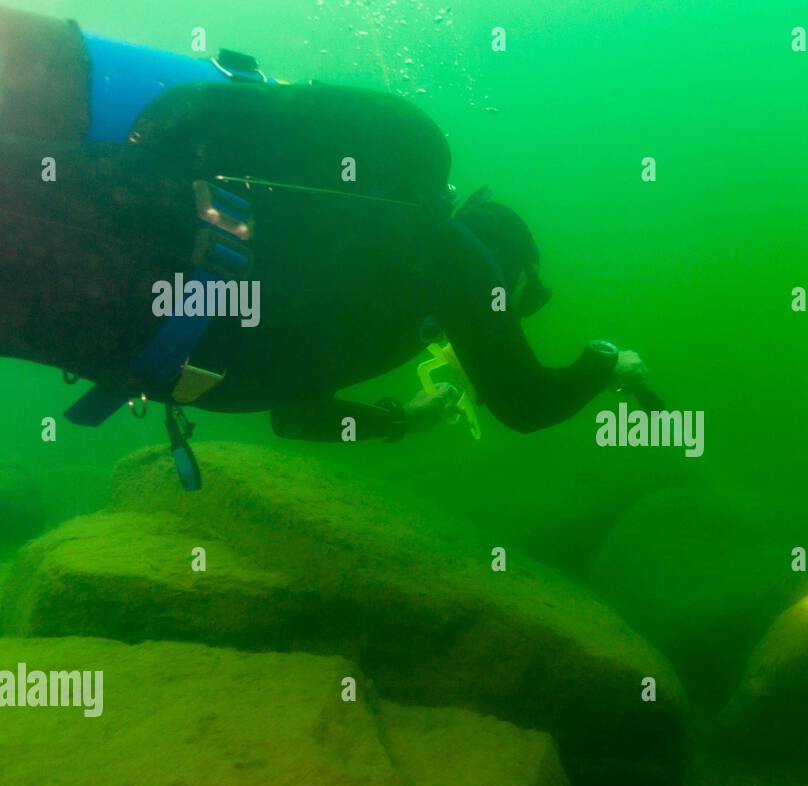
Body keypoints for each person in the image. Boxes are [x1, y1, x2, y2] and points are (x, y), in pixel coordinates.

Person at [0, 6, 649, 485]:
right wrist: (606, 363)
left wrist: (403, 419)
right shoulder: (449, 253)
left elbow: (296, 415)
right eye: (512, 295)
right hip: (135, 293)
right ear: (501, 259)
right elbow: (525, 403)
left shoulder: (379, 271)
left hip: (137, 262)